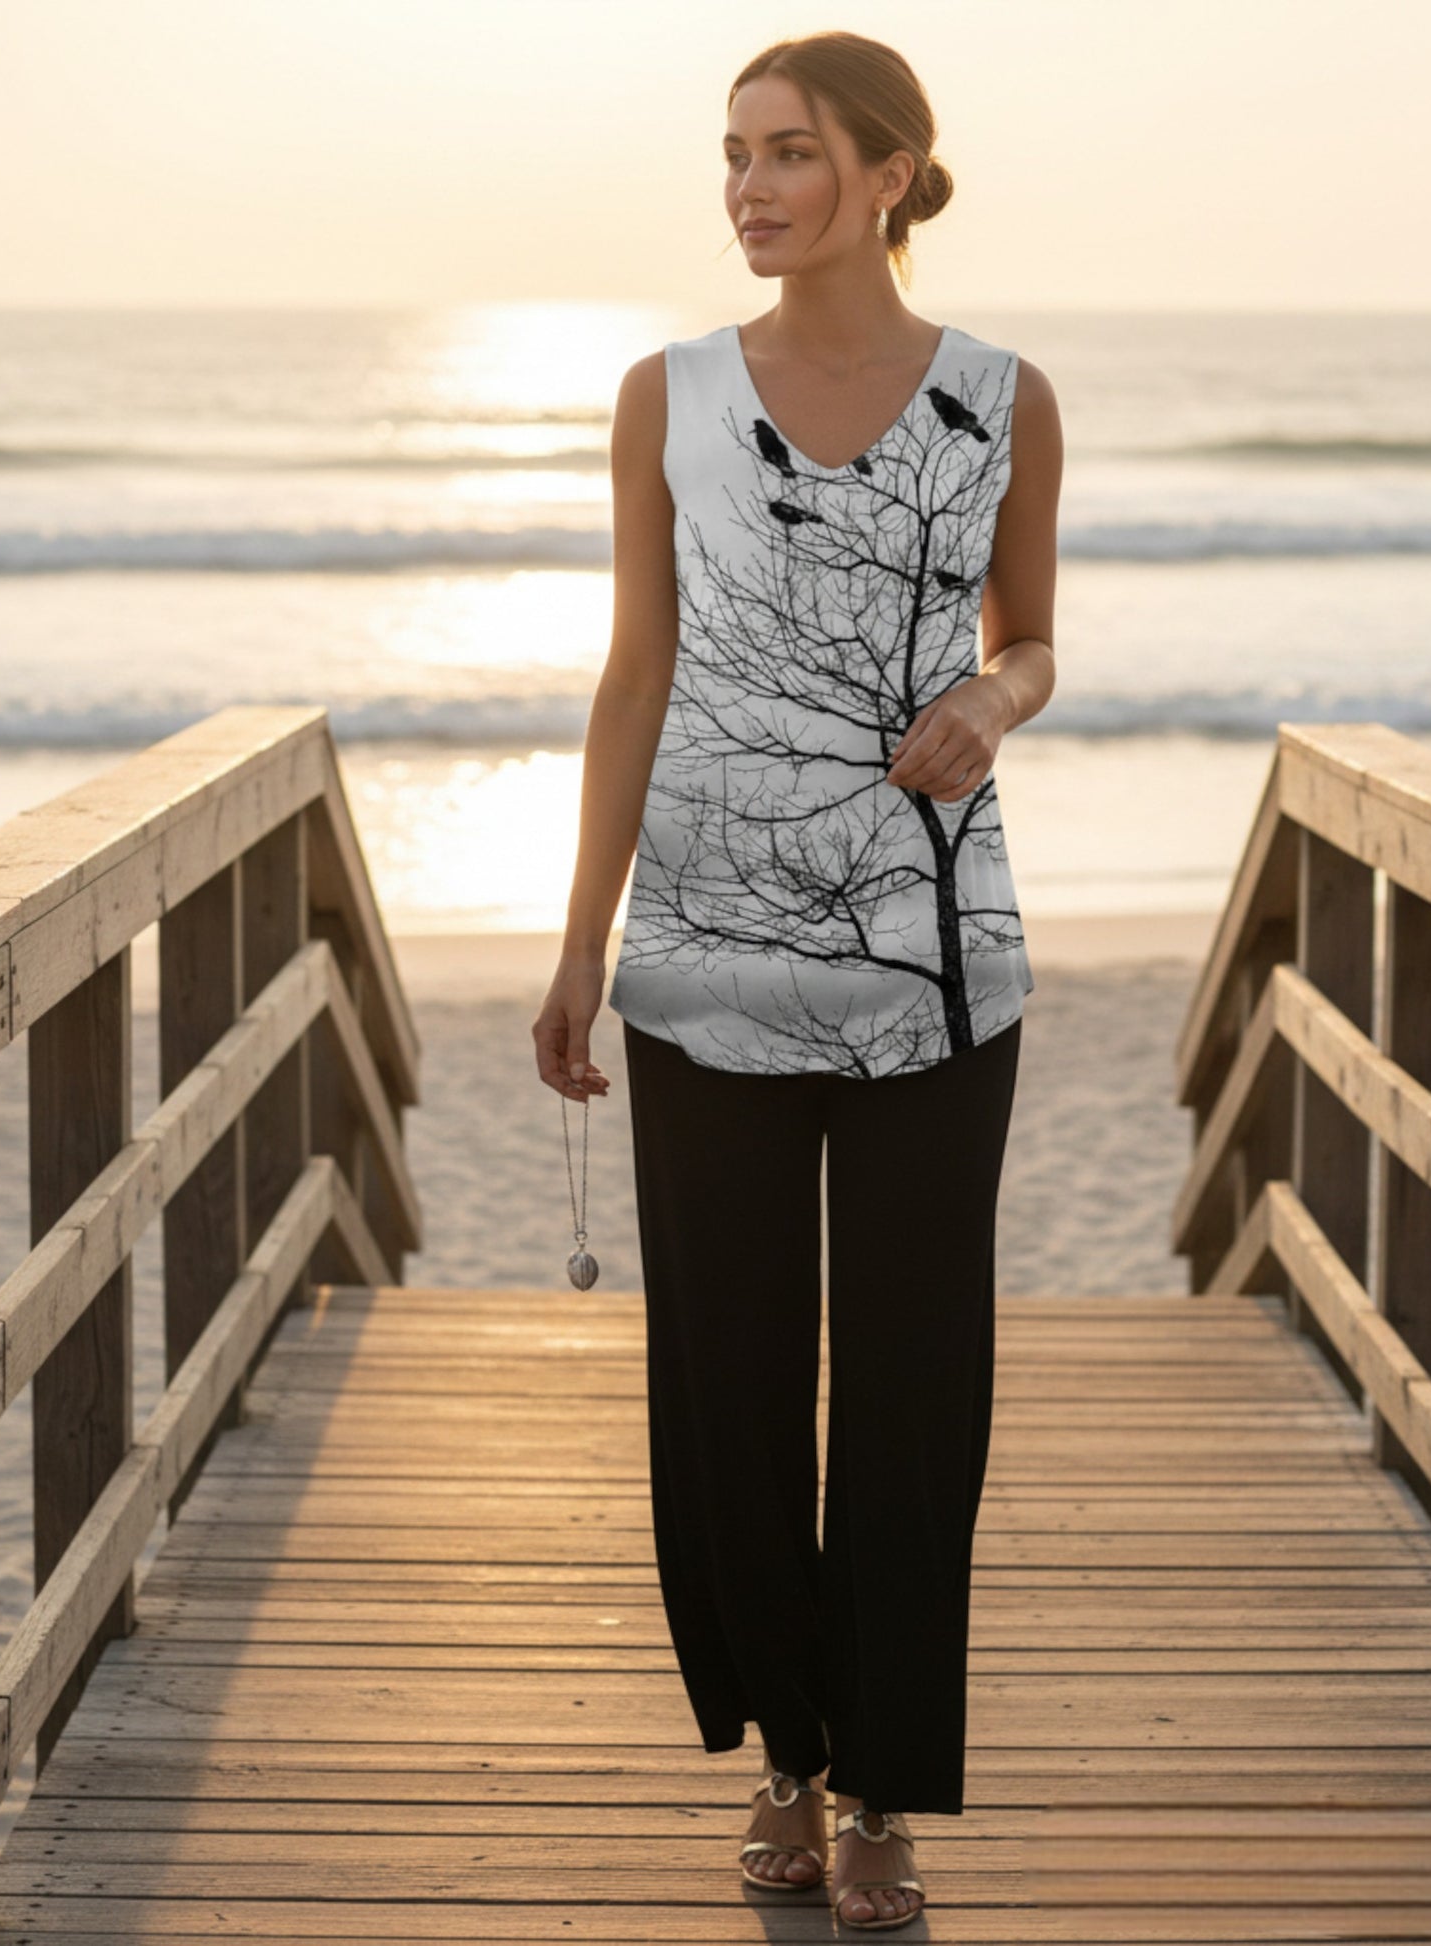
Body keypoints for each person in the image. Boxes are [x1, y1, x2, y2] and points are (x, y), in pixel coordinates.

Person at [533, 28, 1061, 1931]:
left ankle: (890, 1797)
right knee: (731, 1386)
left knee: (919, 1392)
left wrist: (990, 704)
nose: (750, 188)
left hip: (935, 967)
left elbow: (1033, 640)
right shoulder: (663, 395)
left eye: (789, 154)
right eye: (733, 156)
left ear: (893, 173)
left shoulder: (1002, 396)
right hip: (705, 965)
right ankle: (788, 1755)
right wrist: (582, 939)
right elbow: (633, 671)